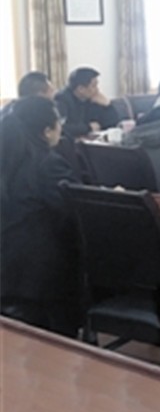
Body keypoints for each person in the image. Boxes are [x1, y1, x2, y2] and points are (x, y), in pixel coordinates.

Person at [0, 96, 80, 337]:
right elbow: (75, 211)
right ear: (46, 131)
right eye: (59, 122)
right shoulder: (48, 164)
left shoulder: (8, 157)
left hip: (8, 267)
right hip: (38, 274)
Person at [54, 67, 120, 138]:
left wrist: (108, 105)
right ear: (81, 89)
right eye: (94, 86)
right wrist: (88, 127)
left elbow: (113, 125)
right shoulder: (62, 99)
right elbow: (60, 128)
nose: (97, 89)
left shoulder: (93, 98)